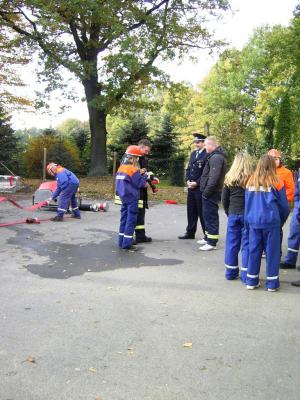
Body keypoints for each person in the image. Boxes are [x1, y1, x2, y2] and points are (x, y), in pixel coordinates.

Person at [245, 155, 290, 291]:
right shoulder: (277, 181)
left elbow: (247, 204)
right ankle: (272, 284)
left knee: (254, 251)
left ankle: (251, 281)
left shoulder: (251, 181)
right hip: (271, 223)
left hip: (254, 222)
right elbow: (284, 207)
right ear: (272, 165)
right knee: (272, 252)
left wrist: (248, 220)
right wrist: (280, 221)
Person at [222, 152, 253, 281]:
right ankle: (246, 275)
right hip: (247, 214)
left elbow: (224, 199)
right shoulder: (252, 178)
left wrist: (229, 212)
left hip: (233, 214)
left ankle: (230, 272)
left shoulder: (229, 177)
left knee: (231, 244)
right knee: (247, 245)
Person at [116, 145, 148, 250]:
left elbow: (127, 180)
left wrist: (139, 173)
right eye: (138, 157)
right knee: (131, 220)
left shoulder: (121, 167)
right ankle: (127, 244)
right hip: (132, 198)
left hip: (123, 197)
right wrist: (144, 177)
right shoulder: (133, 169)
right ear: (135, 158)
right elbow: (140, 184)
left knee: (123, 220)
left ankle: (121, 242)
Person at [199, 136, 227, 250]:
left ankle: (211, 242)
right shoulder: (214, 156)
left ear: (212, 145)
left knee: (211, 216)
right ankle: (207, 237)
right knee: (206, 215)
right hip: (210, 192)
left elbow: (213, 178)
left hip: (212, 192)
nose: (205, 147)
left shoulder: (216, 158)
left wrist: (206, 192)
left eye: (206, 145)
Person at [178, 132, 207, 240]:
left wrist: (197, 183)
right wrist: (188, 180)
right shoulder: (193, 153)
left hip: (200, 187)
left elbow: (205, 173)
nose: (196, 144)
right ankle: (190, 232)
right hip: (191, 187)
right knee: (191, 211)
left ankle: (207, 234)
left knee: (202, 212)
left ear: (204, 143)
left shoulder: (207, 154)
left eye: (198, 142)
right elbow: (189, 168)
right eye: (195, 142)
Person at [280, 167, 300, 282]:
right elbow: (297, 192)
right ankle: (290, 261)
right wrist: (297, 204)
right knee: (294, 233)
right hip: (298, 207)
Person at [136, 138, 153, 243]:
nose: (147, 153)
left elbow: (145, 173)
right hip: (136, 191)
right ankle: (131, 236)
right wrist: (144, 182)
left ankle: (141, 235)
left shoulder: (142, 158)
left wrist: (152, 179)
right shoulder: (133, 158)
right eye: (146, 151)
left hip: (141, 191)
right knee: (136, 213)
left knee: (141, 213)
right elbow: (133, 175)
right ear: (140, 147)